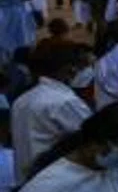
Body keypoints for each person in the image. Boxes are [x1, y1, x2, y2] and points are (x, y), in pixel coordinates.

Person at [11, 42, 94, 183]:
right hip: (55, 181)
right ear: (69, 69)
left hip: (26, 180)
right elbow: (94, 137)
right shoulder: (64, 101)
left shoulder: (22, 100)